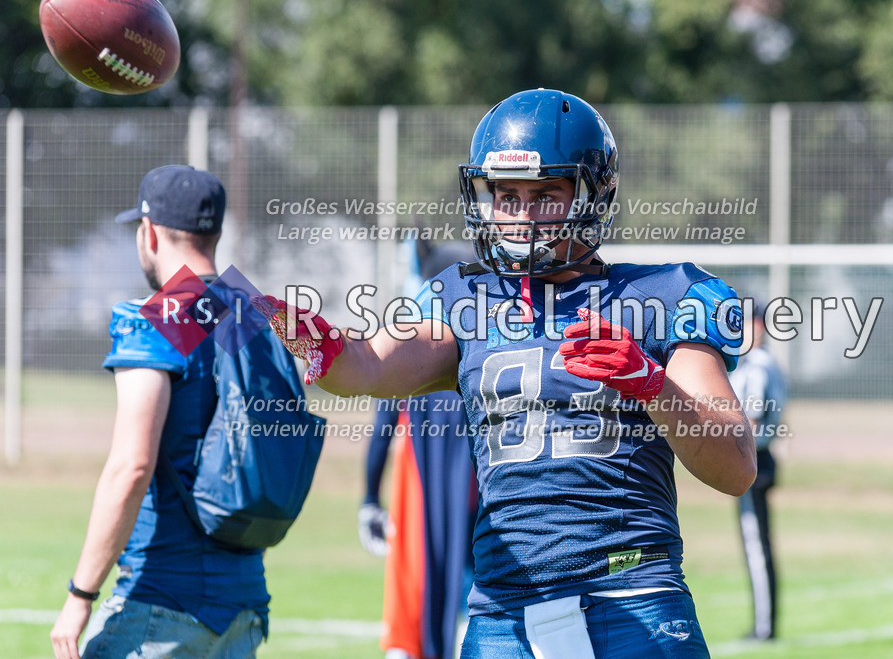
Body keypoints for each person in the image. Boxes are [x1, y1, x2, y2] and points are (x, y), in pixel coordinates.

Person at [263, 89, 756, 658]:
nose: (522, 216)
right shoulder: (463, 296)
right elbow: (367, 366)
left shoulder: (666, 295)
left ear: (595, 194)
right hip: (504, 613)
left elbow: (736, 465)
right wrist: (292, 328)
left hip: (632, 596)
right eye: (507, 195)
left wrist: (650, 382)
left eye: (545, 194)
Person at [50, 165, 269, 659]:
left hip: (163, 606)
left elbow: (132, 465)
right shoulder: (249, 313)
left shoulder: (158, 320)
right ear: (215, 232)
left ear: (148, 233)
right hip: (243, 607)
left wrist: (80, 595)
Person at [359, 240, 477, 659]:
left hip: (425, 492)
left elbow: (382, 428)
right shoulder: (488, 349)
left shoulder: (414, 347)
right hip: (491, 495)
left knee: (420, 589)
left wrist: (370, 499)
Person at [729, 301, 788, 641]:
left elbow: (750, 421)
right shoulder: (765, 364)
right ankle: (765, 624)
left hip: (752, 459)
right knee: (757, 543)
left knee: (756, 546)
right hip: (760, 458)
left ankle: (764, 627)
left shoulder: (757, 366)